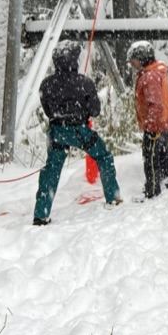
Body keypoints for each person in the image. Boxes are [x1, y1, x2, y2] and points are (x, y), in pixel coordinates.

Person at [34, 41, 122, 225]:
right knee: (104, 157)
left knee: (51, 170)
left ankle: (41, 214)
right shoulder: (84, 83)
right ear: (74, 59)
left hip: (57, 130)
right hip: (80, 129)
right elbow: (95, 110)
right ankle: (113, 197)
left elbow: (47, 109)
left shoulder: (46, 84)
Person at [128, 41, 168, 201]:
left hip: (156, 124)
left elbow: (155, 104)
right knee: (161, 154)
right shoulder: (156, 71)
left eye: (133, 60)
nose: (131, 64)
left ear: (142, 59)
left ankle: (152, 189)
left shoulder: (150, 76)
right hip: (164, 122)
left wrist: (150, 126)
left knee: (150, 156)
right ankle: (164, 182)